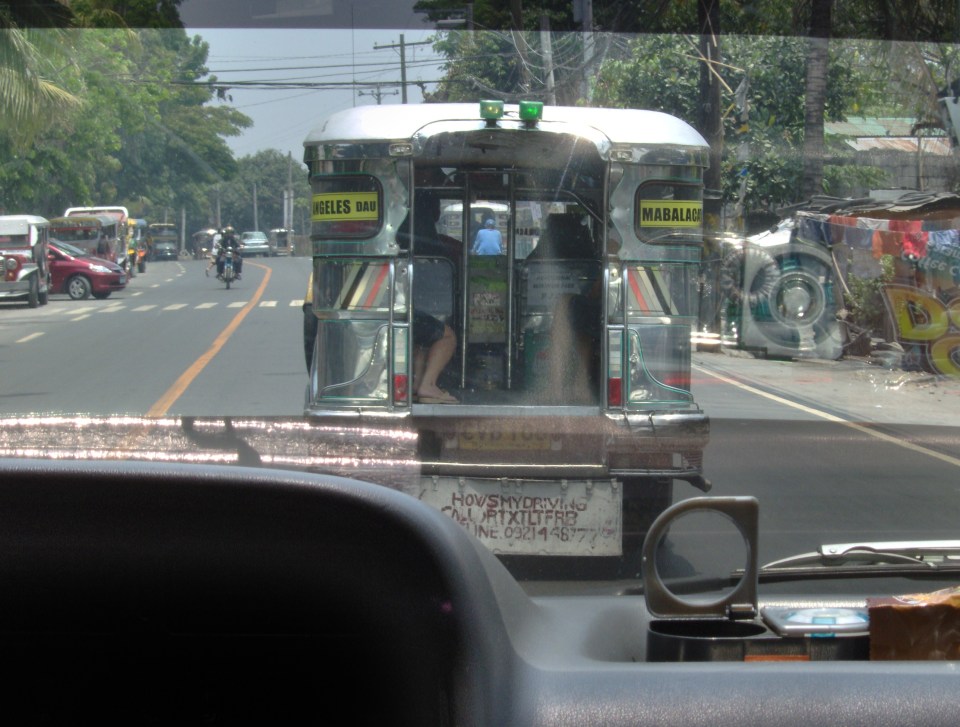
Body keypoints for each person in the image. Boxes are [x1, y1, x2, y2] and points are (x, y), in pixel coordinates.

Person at [413, 311, 457, 403]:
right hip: (408, 315)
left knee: (424, 339)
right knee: (448, 336)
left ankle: (417, 384)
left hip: (395, 313)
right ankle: (428, 385)